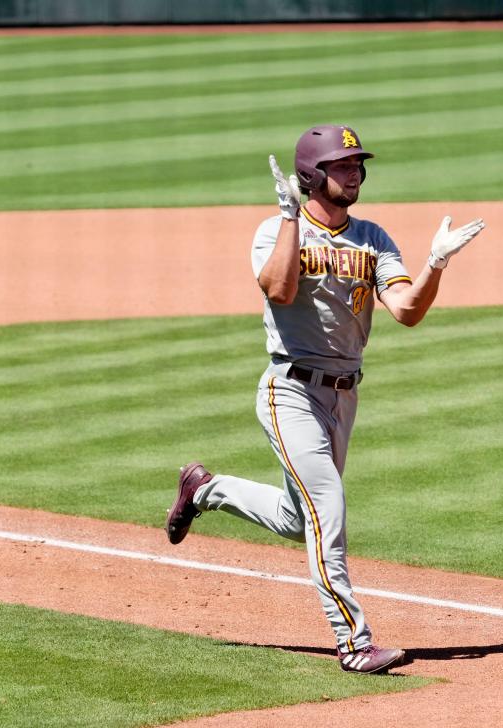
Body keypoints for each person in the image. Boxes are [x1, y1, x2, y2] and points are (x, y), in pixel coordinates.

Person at [164, 124, 485, 674]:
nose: (354, 171)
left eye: (357, 163)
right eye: (342, 165)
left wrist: (435, 265)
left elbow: (407, 311)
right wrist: (291, 218)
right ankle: (353, 642)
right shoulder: (274, 231)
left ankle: (204, 490)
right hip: (289, 392)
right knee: (328, 512)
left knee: (299, 518)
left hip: (342, 399)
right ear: (313, 175)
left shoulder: (373, 238)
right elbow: (279, 290)